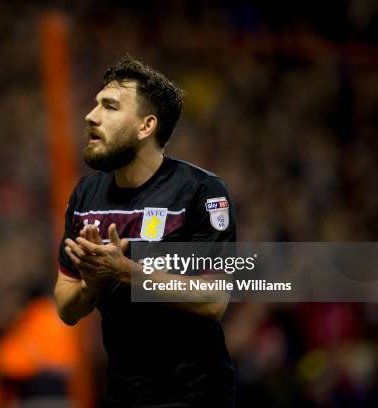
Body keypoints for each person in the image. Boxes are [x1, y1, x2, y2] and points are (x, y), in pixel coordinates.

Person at [55, 56, 236, 407]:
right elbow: (66, 308)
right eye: (95, 104)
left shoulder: (202, 191)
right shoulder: (86, 195)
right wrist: (91, 283)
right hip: (123, 393)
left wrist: (126, 271)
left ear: (146, 126)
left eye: (109, 106)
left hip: (196, 394)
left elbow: (213, 300)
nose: (91, 116)